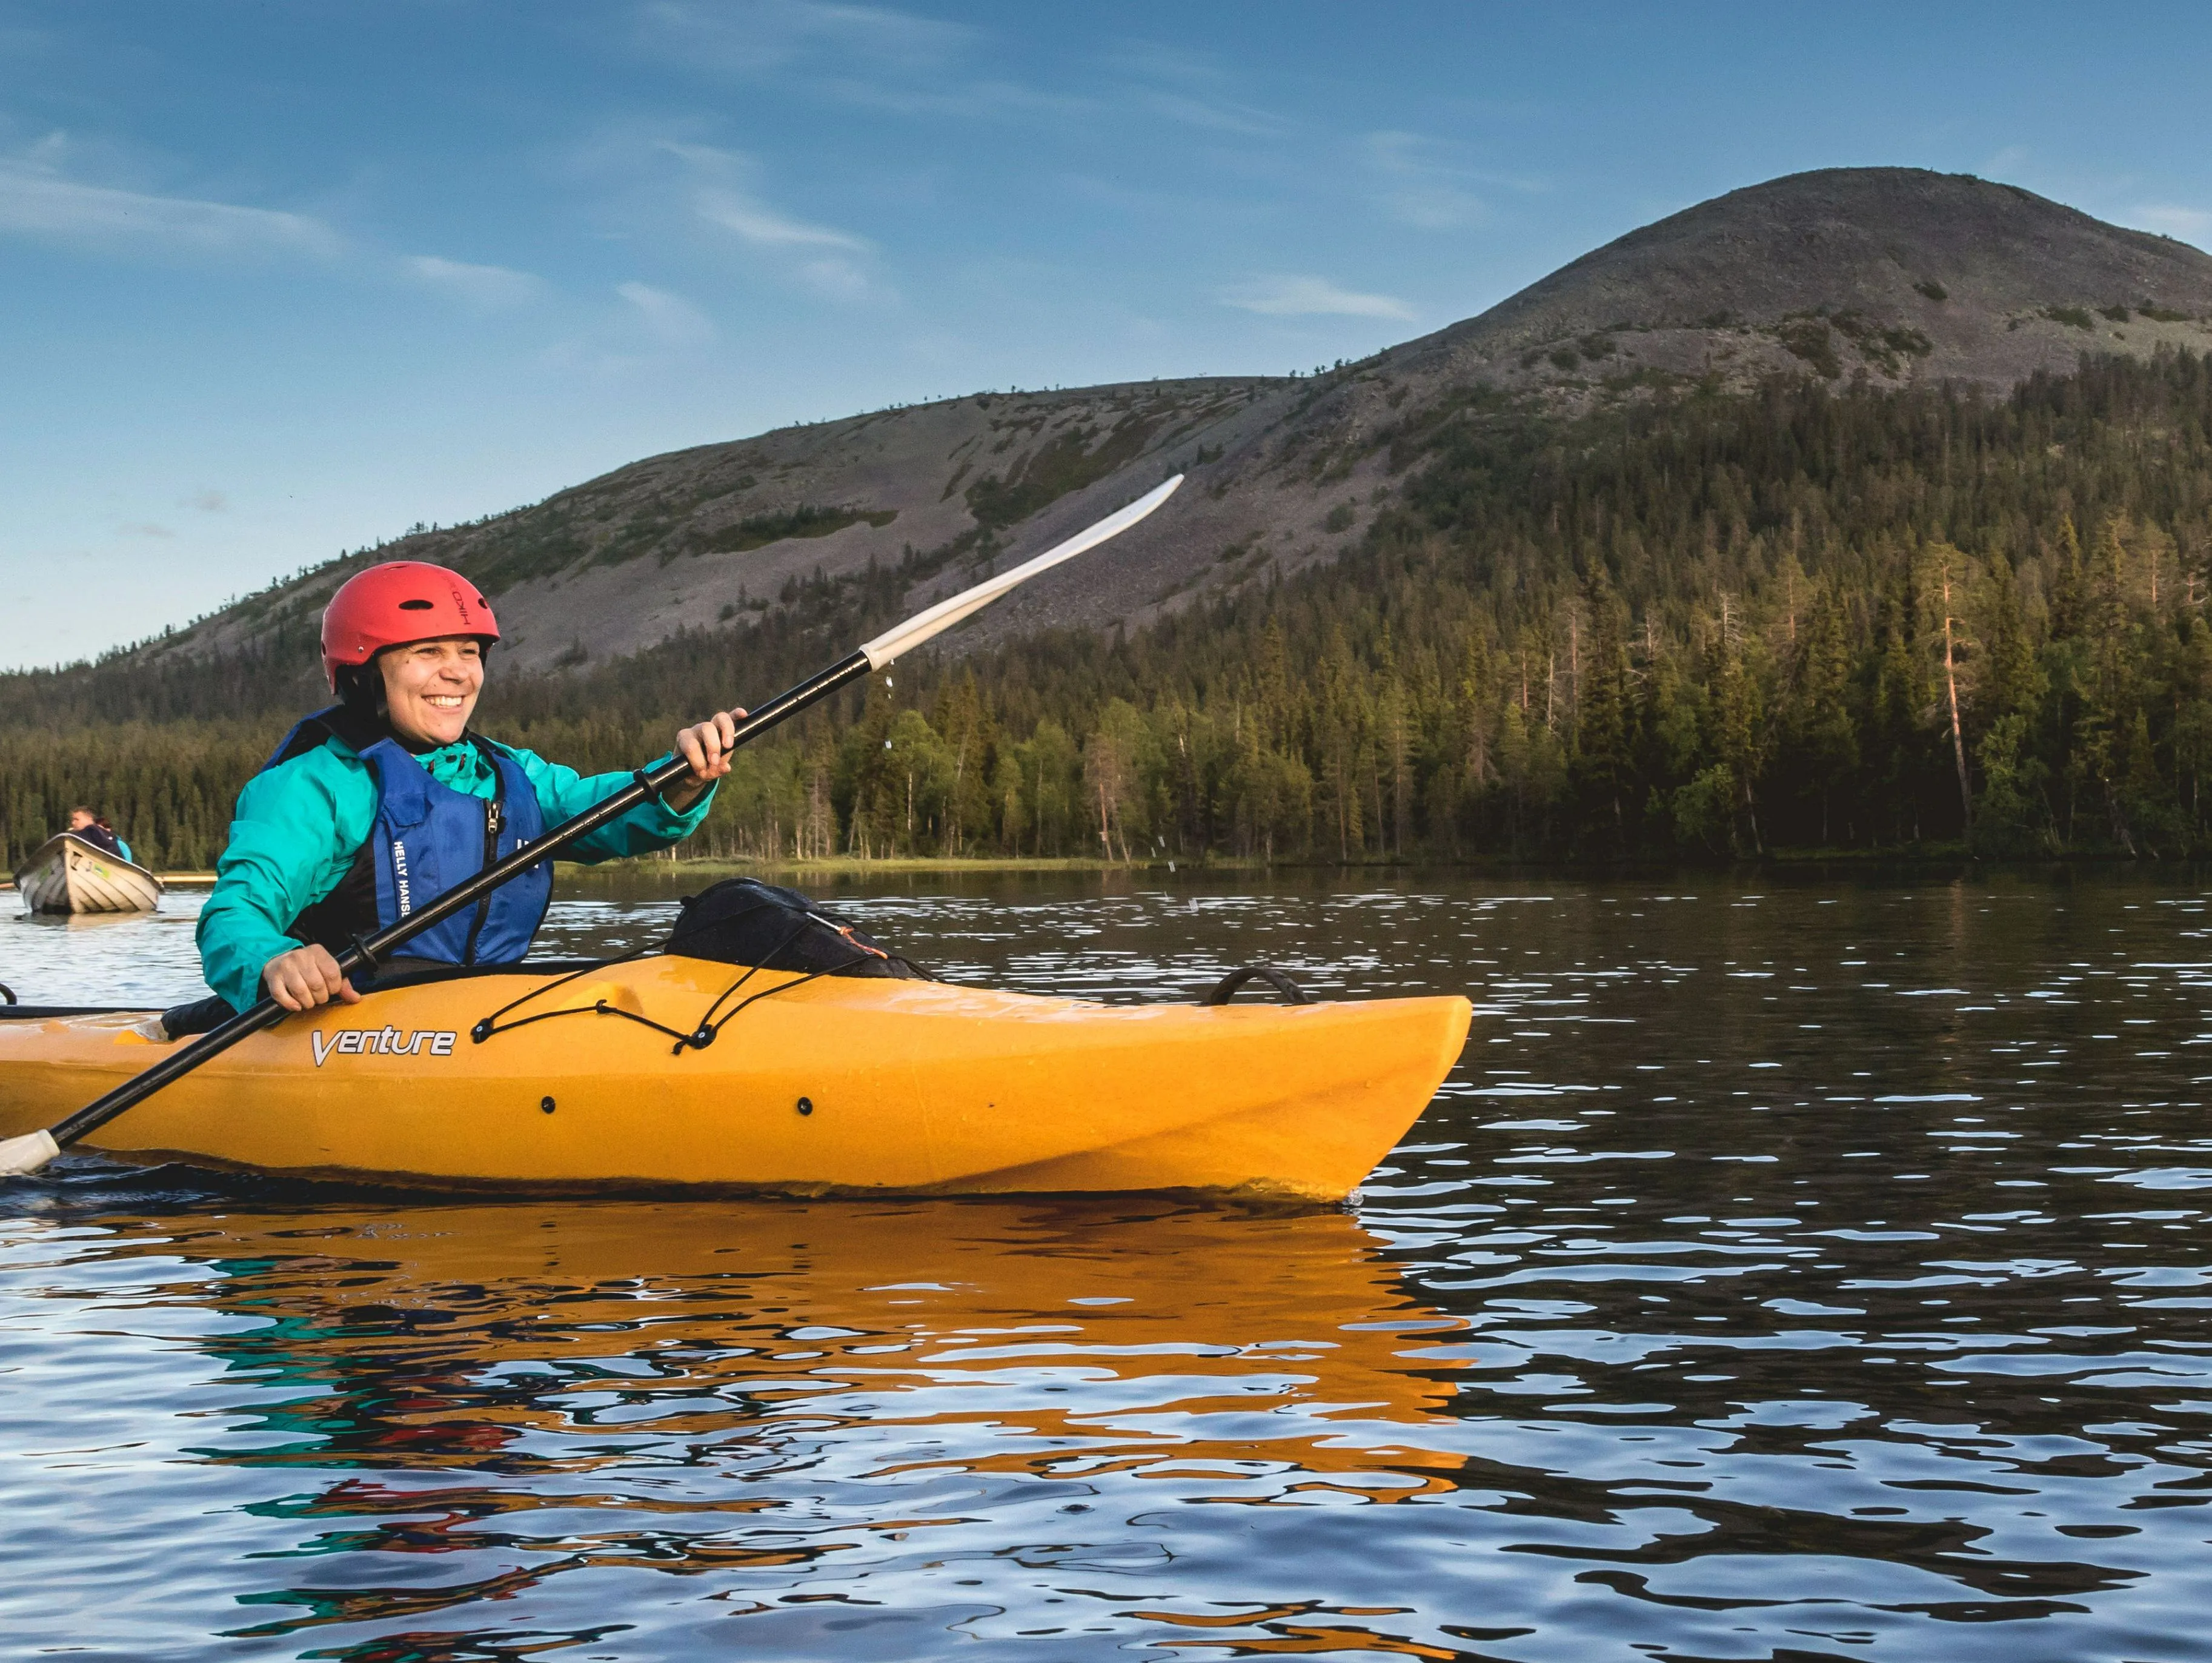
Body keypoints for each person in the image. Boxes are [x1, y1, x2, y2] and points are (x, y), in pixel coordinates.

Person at [176, 560, 742, 1034]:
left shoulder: (510, 772)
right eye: (427, 652)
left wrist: (684, 776)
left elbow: (605, 810)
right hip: (344, 1025)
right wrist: (273, 960)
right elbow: (234, 914)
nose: (457, 673)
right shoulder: (315, 785)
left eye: (469, 652)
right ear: (366, 673)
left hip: (479, 1021)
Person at [66, 806, 132, 864]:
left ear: (89, 818)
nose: (73, 823)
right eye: (73, 820)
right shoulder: (82, 833)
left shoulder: (91, 830)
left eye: (77, 820)